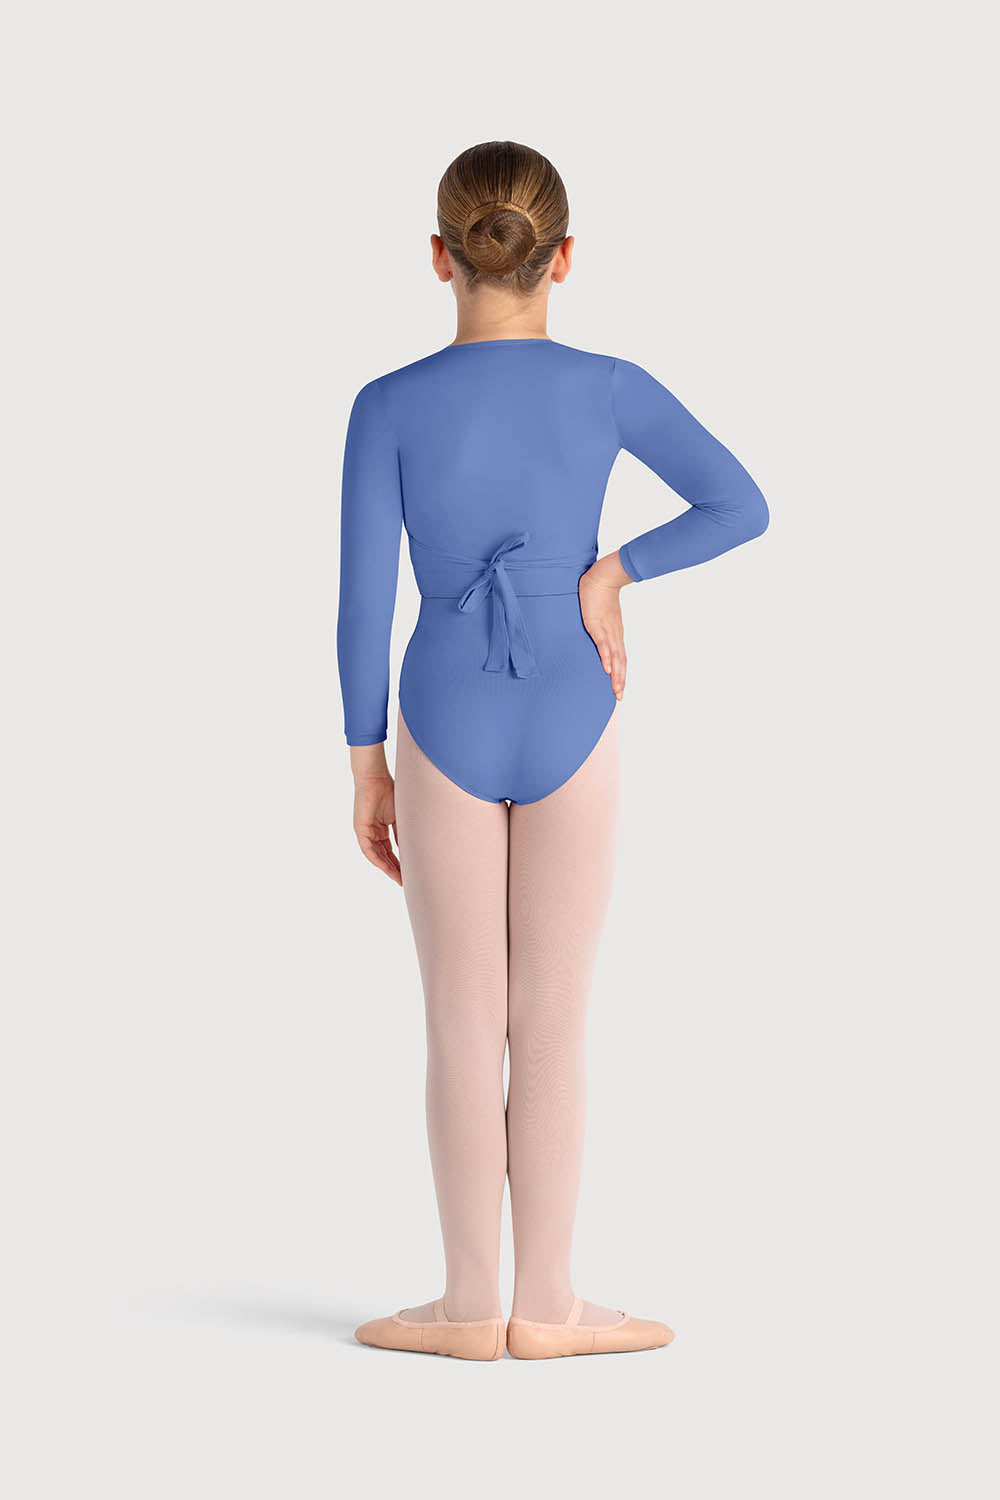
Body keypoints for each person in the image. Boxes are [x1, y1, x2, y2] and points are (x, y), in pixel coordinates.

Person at [338, 140, 769, 1360]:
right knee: (555, 1021)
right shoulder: (610, 385)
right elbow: (740, 505)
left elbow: (362, 601)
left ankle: (468, 1307)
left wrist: (367, 761)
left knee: (459, 1021)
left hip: (442, 713)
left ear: (440, 258)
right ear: (563, 259)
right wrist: (611, 572)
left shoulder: (387, 404)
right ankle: (552, 1306)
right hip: (574, 702)